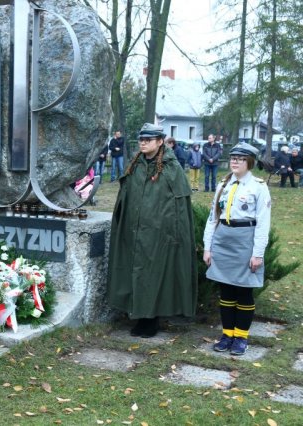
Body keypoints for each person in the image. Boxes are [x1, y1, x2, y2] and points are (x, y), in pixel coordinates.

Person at [107, 123, 197, 338]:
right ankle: (139, 317)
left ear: (160, 141)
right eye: (141, 139)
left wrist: (170, 231)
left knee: (154, 274)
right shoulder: (136, 165)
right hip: (134, 230)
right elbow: (126, 197)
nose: (143, 143)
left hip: (159, 233)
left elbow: (178, 206)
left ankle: (151, 320)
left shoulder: (171, 168)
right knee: (135, 272)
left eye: (148, 140)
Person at [203, 143, 271, 356]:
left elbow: (263, 223)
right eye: (233, 157)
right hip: (223, 241)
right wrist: (207, 247)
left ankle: (241, 337)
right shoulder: (224, 184)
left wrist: (257, 253)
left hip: (245, 242)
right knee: (226, 291)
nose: (235, 161)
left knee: (244, 291)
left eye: (241, 159)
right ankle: (227, 335)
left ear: (249, 162)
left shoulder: (259, 186)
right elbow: (213, 218)